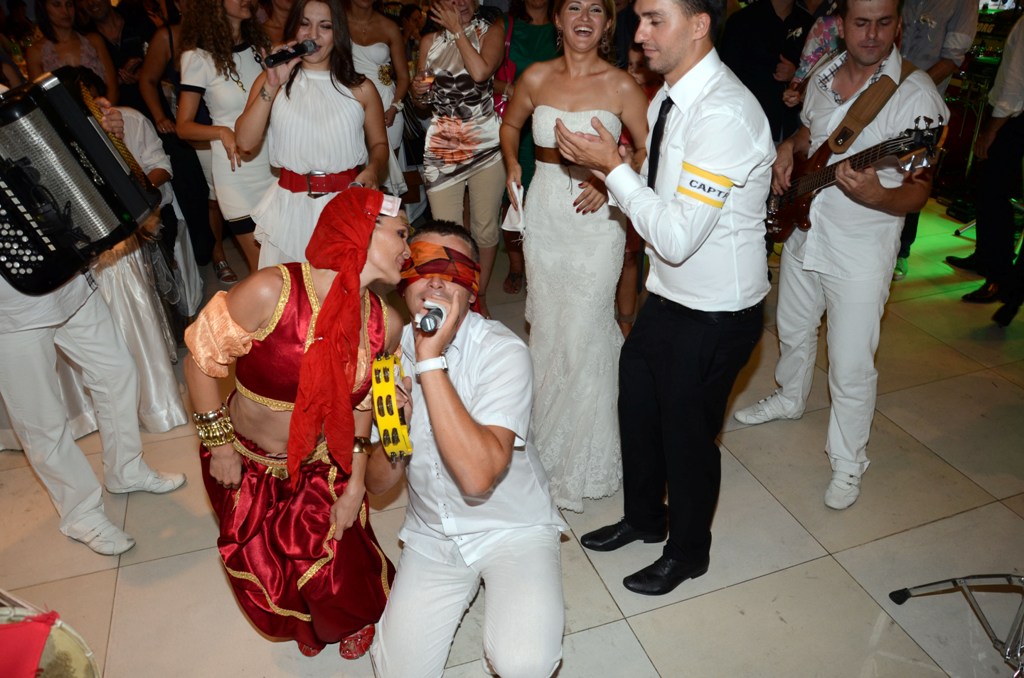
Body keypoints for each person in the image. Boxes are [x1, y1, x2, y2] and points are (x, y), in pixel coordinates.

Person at [555, 0, 773, 595]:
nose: (640, 33)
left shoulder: (725, 112)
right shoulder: (668, 98)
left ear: (699, 25)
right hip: (670, 295)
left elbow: (676, 238)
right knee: (639, 409)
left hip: (716, 310)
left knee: (687, 437)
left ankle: (689, 552)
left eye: (656, 20)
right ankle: (646, 518)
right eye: (639, 19)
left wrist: (612, 170)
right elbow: (661, 193)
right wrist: (618, 169)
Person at [734, 0, 948, 509]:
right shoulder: (827, 71)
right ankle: (790, 398)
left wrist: (879, 195)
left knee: (850, 364)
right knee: (792, 327)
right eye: (861, 23)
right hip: (806, 227)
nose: (871, 34)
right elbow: (812, 133)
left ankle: (849, 461)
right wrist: (788, 149)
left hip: (861, 245)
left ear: (898, 26)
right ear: (841, 25)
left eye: (883, 23)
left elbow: (918, 190)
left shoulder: (916, 97)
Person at [183, 187, 407, 658]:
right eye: (402, 234)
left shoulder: (386, 324)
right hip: (243, 460)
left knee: (334, 560)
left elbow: (368, 405)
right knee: (268, 565)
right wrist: (220, 446)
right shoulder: (272, 290)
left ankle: (352, 616)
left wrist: (355, 484)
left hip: (322, 462)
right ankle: (304, 625)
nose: (409, 250)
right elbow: (201, 362)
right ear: (361, 231)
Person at [366, 221, 567, 678]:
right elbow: (376, 485)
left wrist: (429, 361)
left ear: (472, 288)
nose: (437, 281)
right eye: (424, 267)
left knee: (524, 663)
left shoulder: (502, 351)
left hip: (512, 526)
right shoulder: (385, 357)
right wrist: (395, 431)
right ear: (404, 281)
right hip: (433, 532)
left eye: (452, 270)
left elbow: (478, 478)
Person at [0, 93, 186, 557]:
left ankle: (125, 468)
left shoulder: (8, 101)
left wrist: (104, 135)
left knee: (117, 371)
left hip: (67, 277)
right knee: (42, 420)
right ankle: (80, 512)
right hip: (10, 307)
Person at [499, 0, 648, 511]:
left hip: (598, 219)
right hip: (545, 212)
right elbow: (510, 127)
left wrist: (612, 183)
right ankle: (545, 437)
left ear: (607, 24)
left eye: (596, 9)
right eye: (574, 8)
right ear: (559, 20)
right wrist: (512, 166)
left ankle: (586, 455)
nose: (584, 18)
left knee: (586, 326)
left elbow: (649, 147)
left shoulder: (622, 85)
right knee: (548, 324)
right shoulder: (536, 77)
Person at [235, 0, 389, 268]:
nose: (313, 35)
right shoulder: (272, 81)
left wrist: (374, 169)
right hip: (289, 207)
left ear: (338, 33)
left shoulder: (362, 88)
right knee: (291, 291)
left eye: (325, 26)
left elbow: (379, 144)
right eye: (305, 24)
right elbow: (245, 142)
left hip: (344, 204)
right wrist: (271, 85)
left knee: (340, 290)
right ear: (294, 28)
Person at [411, 0, 506, 318]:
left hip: (486, 144)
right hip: (442, 147)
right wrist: (418, 93)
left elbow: (480, 73)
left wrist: (457, 31)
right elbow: (422, 104)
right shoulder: (429, 41)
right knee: (446, 233)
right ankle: (455, 298)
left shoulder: (490, 31)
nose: (460, 4)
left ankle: (479, 296)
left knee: (485, 229)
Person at [177, 0, 274, 276]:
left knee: (288, 263)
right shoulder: (197, 58)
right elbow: (183, 126)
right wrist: (221, 131)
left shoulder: (261, 47)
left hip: (273, 167)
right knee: (266, 271)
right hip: (236, 172)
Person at [893, 0, 977, 281]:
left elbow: (952, 58)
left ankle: (901, 251)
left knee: (912, 173)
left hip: (923, 106)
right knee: (877, 168)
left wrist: (909, 91)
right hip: (882, 93)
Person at [946, 15, 1023, 304]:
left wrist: (991, 131)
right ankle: (984, 257)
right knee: (988, 192)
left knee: (994, 195)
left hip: (1012, 119)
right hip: (1012, 117)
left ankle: (997, 276)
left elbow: (1014, 85)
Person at [493, 0, 557, 295]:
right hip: (515, 124)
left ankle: (542, 265)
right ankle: (517, 266)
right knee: (515, 197)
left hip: (552, 126)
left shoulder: (562, 26)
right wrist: (514, 91)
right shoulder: (506, 26)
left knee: (548, 198)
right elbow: (483, 76)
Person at [347, 0, 411, 196]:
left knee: (387, 174)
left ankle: (390, 213)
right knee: (356, 169)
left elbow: (403, 77)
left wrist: (394, 107)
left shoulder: (389, 27)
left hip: (387, 104)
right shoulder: (336, 22)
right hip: (351, 102)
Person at [27, 0, 119, 102]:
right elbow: (41, 99)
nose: (65, 11)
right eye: (57, 5)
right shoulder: (36, 52)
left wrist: (107, 110)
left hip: (107, 108)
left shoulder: (94, 40)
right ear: (43, 9)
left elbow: (112, 86)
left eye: (69, 5)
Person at [76, 0, 157, 113]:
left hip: (155, 108)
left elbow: (167, 61)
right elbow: (89, 88)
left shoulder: (136, 18)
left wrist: (147, 73)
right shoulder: (85, 41)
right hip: (118, 114)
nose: (91, 3)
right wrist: (117, 80)